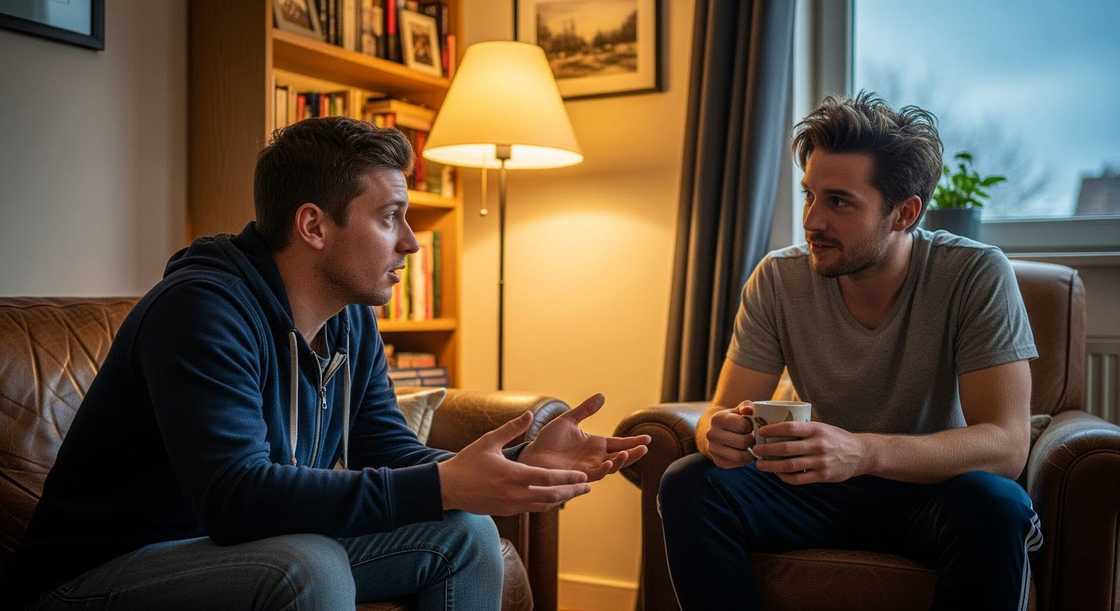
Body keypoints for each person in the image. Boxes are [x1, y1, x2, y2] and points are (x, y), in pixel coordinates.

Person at [14, 117, 650, 610]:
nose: (410, 242)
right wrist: (444, 484)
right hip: (100, 573)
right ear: (314, 226)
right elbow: (236, 498)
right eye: (390, 216)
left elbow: (388, 449)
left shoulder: (350, 316)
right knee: (307, 563)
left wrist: (511, 470)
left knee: (468, 535)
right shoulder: (201, 311)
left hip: (235, 552)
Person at [658, 92, 1041, 611]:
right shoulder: (778, 277)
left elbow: (1007, 444)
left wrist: (861, 453)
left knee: (996, 504)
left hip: (928, 491)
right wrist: (716, 432)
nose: (812, 221)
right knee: (689, 483)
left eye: (839, 202)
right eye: (809, 196)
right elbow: (721, 413)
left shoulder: (974, 274)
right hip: (811, 490)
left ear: (903, 213)